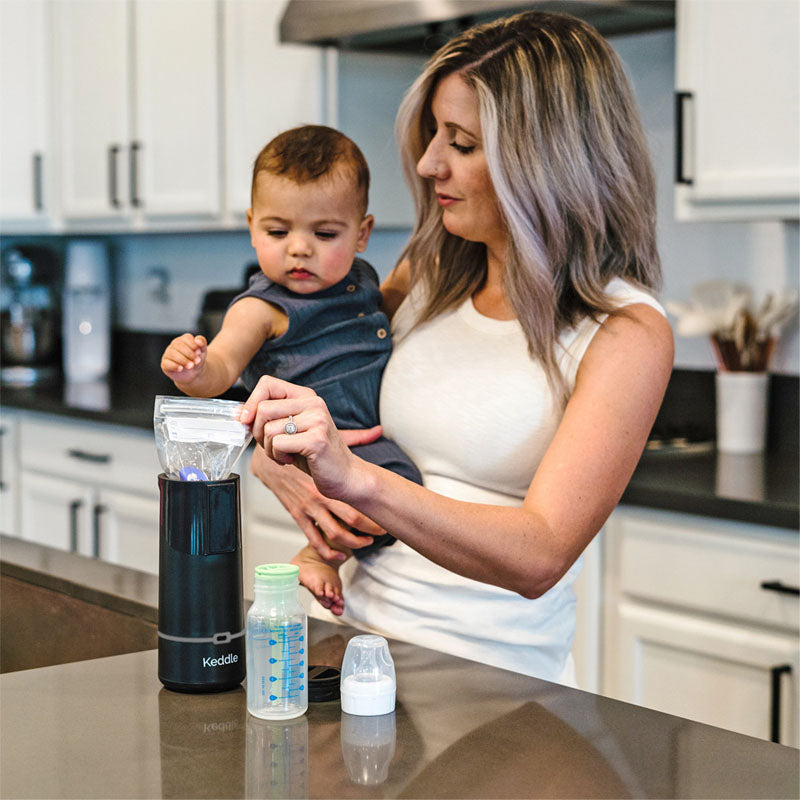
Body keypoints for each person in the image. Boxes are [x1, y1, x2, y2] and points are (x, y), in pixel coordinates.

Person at [240, 10, 674, 685]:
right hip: (358, 655)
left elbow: (540, 555)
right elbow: (299, 356)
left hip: (497, 687)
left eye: (462, 142)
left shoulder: (626, 331)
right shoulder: (429, 273)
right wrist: (266, 450)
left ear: (546, 158)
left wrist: (357, 480)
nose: (426, 162)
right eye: (434, 133)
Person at [160, 125, 422, 614]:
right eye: (278, 232)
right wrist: (192, 370)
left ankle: (326, 554)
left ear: (362, 234)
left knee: (399, 491)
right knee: (381, 497)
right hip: (317, 444)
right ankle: (317, 556)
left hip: (365, 439)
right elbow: (221, 367)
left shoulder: (360, 281)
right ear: (252, 224)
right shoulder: (261, 309)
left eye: (325, 234)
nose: (299, 248)